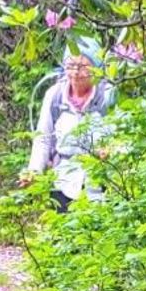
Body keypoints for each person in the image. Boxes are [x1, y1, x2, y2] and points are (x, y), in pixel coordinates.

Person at [22, 48, 115, 212]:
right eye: (71, 65)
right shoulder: (55, 95)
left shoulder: (108, 95)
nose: (76, 72)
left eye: (83, 66)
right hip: (63, 182)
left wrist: (112, 151)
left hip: (102, 182)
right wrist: (34, 171)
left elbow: (124, 135)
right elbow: (43, 138)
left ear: (96, 67)